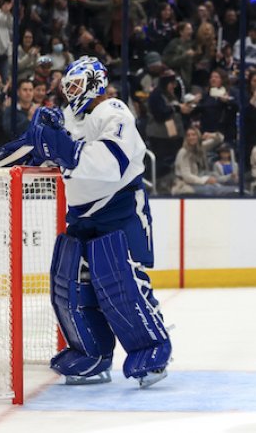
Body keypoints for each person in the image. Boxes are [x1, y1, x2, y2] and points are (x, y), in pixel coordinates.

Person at [18, 56, 171, 387]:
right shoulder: (70, 117)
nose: (71, 93)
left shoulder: (115, 112)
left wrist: (62, 148)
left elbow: (109, 164)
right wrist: (28, 142)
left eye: (75, 86)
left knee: (120, 282)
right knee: (70, 284)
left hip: (119, 209)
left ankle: (151, 348)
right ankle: (91, 354)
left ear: (94, 83)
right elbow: (37, 150)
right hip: (81, 215)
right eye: (67, 87)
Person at [171, 127, 235, 195]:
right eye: (188, 135)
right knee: (210, 189)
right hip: (186, 185)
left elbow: (220, 138)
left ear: (198, 136)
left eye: (193, 135)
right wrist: (205, 181)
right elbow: (187, 177)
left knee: (216, 177)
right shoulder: (184, 153)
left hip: (200, 177)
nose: (191, 137)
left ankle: (235, 190)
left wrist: (211, 135)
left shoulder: (201, 147)